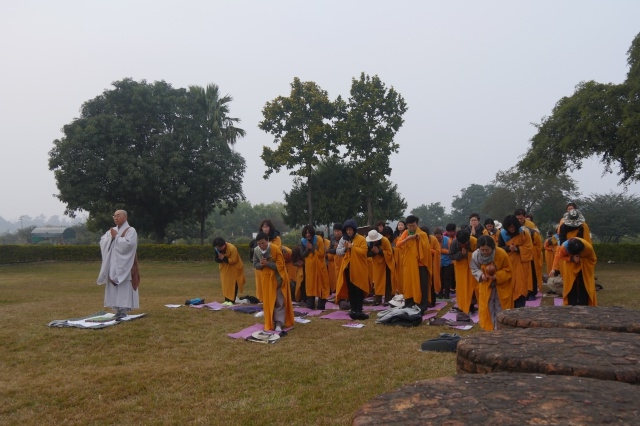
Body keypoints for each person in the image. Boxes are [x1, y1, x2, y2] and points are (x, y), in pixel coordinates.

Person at [97, 209, 139, 320]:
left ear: (125, 217)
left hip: (126, 264)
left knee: (124, 286)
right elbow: (103, 241)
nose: (116, 218)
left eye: (118, 215)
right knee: (113, 287)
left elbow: (129, 245)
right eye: (114, 216)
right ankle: (116, 309)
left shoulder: (131, 230)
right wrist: (111, 238)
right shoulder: (112, 230)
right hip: (113, 265)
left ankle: (124, 310)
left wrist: (116, 237)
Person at [252, 231, 295, 332]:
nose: (261, 246)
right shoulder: (256, 251)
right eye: (259, 244)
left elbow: (280, 266)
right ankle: (270, 322)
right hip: (266, 281)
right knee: (268, 302)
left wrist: (268, 263)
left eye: (263, 243)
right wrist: (261, 265)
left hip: (278, 279)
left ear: (267, 241)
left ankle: (279, 323)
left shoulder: (275, 249)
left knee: (279, 301)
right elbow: (255, 264)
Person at [470, 236, 513, 331]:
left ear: (493, 247)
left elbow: (508, 270)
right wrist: (481, 275)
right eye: (482, 250)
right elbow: (474, 268)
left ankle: (500, 327)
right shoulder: (476, 255)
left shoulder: (501, 253)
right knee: (488, 306)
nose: (484, 252)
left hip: (501, 285)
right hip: (485, 285)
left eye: (487, 250)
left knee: (500, 306)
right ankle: (490, 328)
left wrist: (496, 276)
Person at [396, 215, 432, 312]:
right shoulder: (405, 233)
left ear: (417, 224)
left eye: (413, 226)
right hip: (409, 264)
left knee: (422, 285)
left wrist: (419, 240)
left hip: (421, 264)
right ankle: (409, 303)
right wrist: (408, 239)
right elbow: (398, 244)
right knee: (409, 283)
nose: (411, 228)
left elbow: (426, 249)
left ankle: (422, 305)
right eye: (409, 226)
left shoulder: (423, 234)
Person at [336, 219, 370, 320]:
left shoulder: (361, 239)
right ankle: (353, 309)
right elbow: (338, 252)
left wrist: (353, 247)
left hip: (358, 268)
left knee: (358, 289)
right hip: (347, 267)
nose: (349, 232)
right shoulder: (344, 239)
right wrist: (346, 249)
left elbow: (364, 252)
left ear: (354, 230)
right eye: (347, 230)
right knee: (351, 289)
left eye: (350, 229)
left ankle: (359, 309)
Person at [550, 237, 597, 306]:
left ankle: (584, 303)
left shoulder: (588, 248)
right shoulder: (564, 247)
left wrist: (581, 260)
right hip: (570, 267)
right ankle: (571, 303)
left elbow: (593, 260)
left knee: (584, 285)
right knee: (571, 285)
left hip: (584, 268)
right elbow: (561, 256)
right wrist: (571, 258)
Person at [498, 215, 533, 308]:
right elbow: (500, 249)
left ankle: (520, 307)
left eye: (513, 227)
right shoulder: (502, 234)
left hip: (521, 264)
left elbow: (529, 248)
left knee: (521, 287)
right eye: (510, 227)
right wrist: (509, 248)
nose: (512, 229)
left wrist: (517, 248)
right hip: (508, 264)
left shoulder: (524, 233)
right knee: (509, 287)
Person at [300, 225, 330, 309]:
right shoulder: (303, 241)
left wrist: (312, 248)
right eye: (306, 233)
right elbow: (302, 254)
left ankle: (321, 306)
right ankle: (311, 305)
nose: (307, 235)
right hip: (310, 268)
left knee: (321, 284)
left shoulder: (318, 239)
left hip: (320, 266)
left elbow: (322, 253)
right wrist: (308, 249)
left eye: (309, 232)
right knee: (310, 285)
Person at [448, 229, 478, 314]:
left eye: (465, 242)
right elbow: (451, 255)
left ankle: (471, 306)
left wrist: (468, 253)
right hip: (460, 268)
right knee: (461, 288)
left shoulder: (474, 241)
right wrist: (461, 254)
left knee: (472, 286)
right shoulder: (454, 243)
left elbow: (479, 254)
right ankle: (461, 306)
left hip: (472, 267)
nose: (463, 244)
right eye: (461, 243)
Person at [515, 208, 542, 300]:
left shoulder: (530, 225)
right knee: (521, 273)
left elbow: (537, 239)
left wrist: (531, 232)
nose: (519, 220)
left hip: (530, 252)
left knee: (531, 273)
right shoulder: (513, 225)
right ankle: (522, 291)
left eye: (521, 218)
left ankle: (532, 292)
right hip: (518, 252)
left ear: (524, 217)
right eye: (517, 218)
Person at [213, 236, 246, 306]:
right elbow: (216, 259)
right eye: (217, 247)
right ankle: (226, 300)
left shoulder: (232, 248)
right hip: (225, 269)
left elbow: (234, 260)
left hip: (234, 268)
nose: (219, 249)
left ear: (224, 245)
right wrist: (220, 259)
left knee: (233, 284)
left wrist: (223, 258)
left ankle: (231, 300)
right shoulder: (217, 249)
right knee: (225, 284)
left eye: (220, 248)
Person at [366, 229, 395, 305]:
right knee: (377, 281)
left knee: (387, 281)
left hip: (386, 263)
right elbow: (367, 253)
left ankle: (387, 299)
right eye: (373, 241)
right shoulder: (369, 242)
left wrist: (379, 251)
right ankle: (378, 299)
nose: (374, 242)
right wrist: (372, 252)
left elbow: (390, 253)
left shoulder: (385, 240)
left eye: (375, 240)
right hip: (376, 264)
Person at [434, 227, 453, 299]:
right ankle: (440, 293)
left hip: (448, 262)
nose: (438, 239)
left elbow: (451, 252)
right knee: (440, 278)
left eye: (439, 237)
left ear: (442, 235)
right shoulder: (434, 240)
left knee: (447, 278)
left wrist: (441, 250)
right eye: (436, 237)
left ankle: (447, 294)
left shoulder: (448, 240)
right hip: (438, 262)